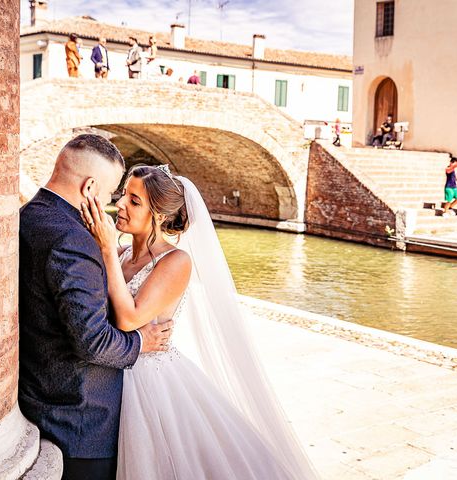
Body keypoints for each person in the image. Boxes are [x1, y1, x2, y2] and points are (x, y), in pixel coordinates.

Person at [80, 165, 318, 480]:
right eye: (124, 194)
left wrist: (107, 249)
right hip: (111, 369)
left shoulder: (175, 261)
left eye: (135, 201)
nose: (121, 204)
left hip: (150, 382)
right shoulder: (122, 253)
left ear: (160, 216)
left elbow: (128, 318)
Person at [18, 135, 173, 480]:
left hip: (38, 398)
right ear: (90, 188)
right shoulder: (73, 240)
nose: (112, 204)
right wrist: (141, 343)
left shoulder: (26, 216)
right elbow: (93, 342)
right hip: (80, 422)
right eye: (111, 193)